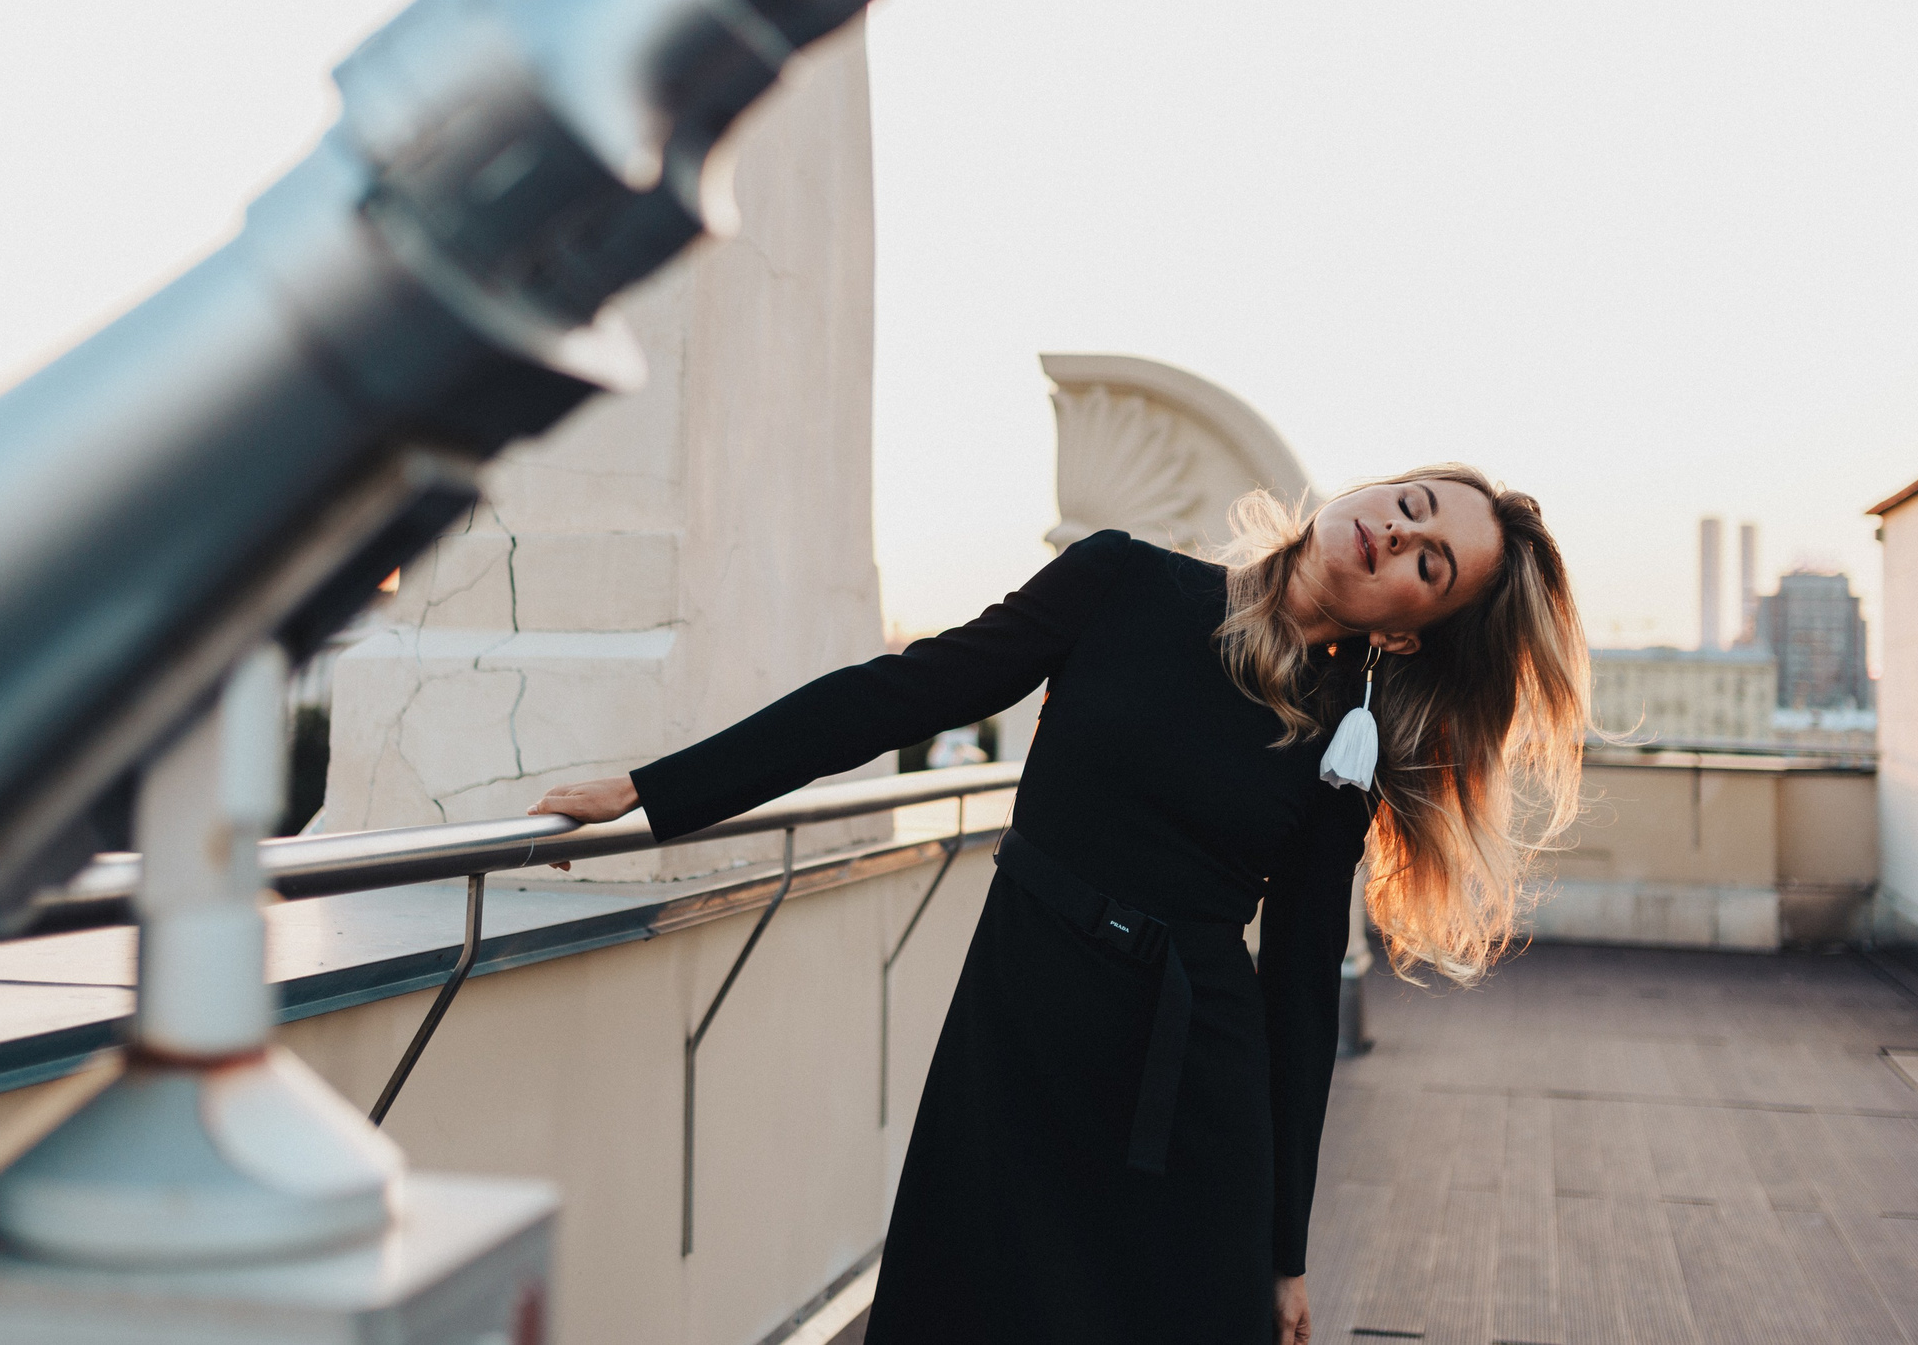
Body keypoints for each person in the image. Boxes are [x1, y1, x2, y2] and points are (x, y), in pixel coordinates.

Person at [529, 465, 1589, 1345]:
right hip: (1019, 1034)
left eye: (1428, 563)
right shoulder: (1120, 580)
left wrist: (1283, 1250)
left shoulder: (1340, 742)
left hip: (1184, 1096)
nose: (1395, 536)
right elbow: (907, 691)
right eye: (1409, 505)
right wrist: (658, 789)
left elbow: (1300, 986)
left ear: (1411, 634)